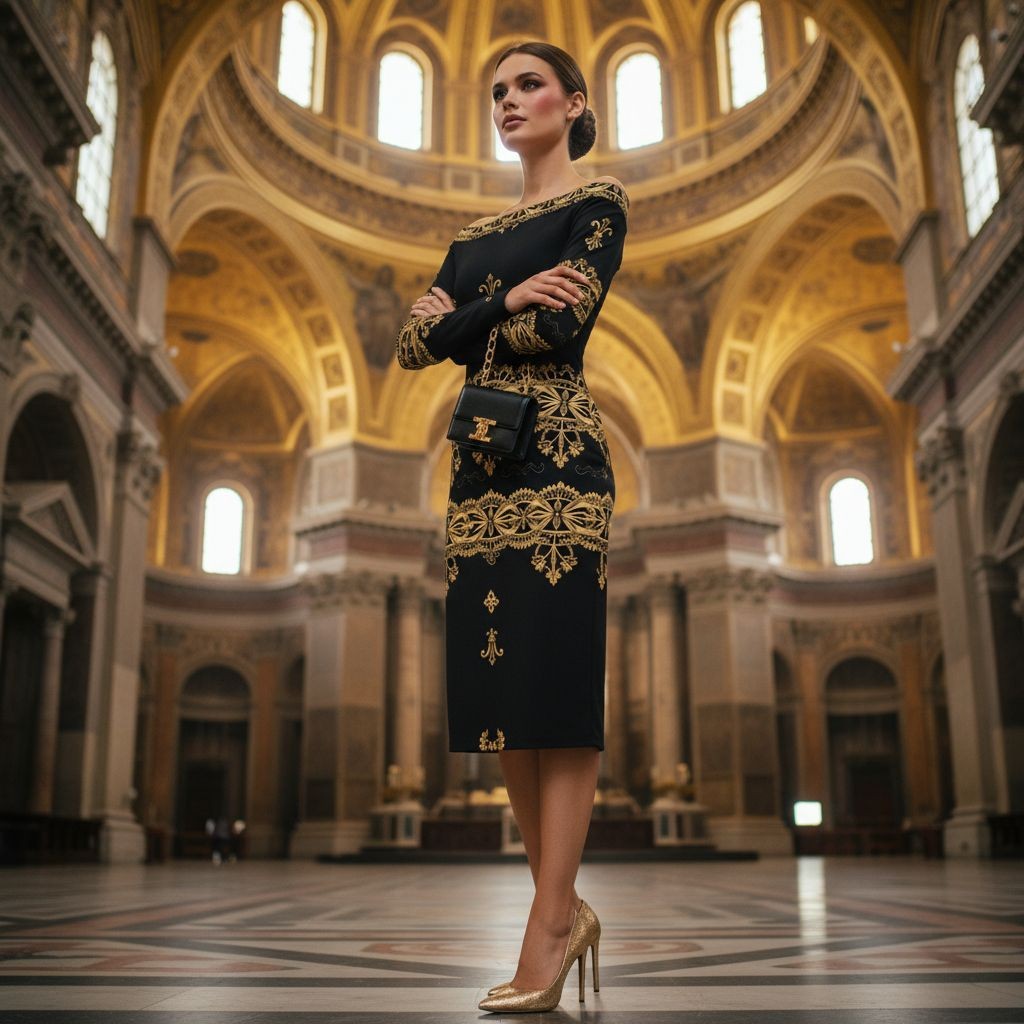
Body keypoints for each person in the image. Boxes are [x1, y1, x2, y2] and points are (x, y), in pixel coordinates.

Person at [396, 40, 627, 1014]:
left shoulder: (597, 206)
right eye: (496, 91)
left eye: (528, 85)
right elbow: (411, 345)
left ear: (574, 103)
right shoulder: (472, 236)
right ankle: (562, 907)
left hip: (560, 463)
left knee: (555, 684)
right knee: (500, 692)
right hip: (479, 469)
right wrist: (502, 300)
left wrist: (469, 319)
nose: (509, 101)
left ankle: (545, 922)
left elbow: (559, 328)